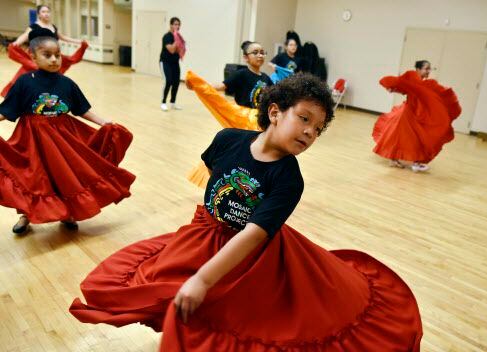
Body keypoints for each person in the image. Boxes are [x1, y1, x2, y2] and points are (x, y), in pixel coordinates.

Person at [70, 73, 422, 351]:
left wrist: (205, 277)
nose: (310, 132)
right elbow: (211, 175)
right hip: (205, 234)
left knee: (239, 316)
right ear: (274, 112)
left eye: (317, 129)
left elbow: (254, 233)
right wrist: (209, 232)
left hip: (254, 256)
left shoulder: (289, 179)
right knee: (161, 287)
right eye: (303, 119)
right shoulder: (227, 140)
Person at [0, 36, 135, 234]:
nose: (54, 60)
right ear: (34, 57)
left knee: (65, 176)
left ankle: (68, 213)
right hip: (34, 141)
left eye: (57, 55)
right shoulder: (24, 83)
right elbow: (7, 110)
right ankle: (27, 215)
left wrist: (105, 122)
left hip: (63, 140)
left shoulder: (67, 83)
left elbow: (82, 109)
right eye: (47, 55)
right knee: (35, 179)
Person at [372, 60, 462, 172]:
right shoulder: (411, 75)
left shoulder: (423, 82)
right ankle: (410, 162)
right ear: (418, 69)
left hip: (417, 112)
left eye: (429, 69)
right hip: (409, 112)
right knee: (407, 137)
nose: (428, 71)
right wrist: (393, 87)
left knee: (410, 137)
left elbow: (407, 88)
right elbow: (402, 84)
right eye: (426, 68)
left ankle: (408, 161)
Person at [2, 4, 88, 97]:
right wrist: (16, 43)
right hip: (37, 57)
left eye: (48, 12)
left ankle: (45, 97)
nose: (46, 14)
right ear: (39, 14)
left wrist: (79, 41)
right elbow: (24, 36)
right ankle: (19, 96)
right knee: (27, 76)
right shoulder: (34, 26)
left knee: (50, 77)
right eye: (43, 12)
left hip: (51, 55)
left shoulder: (53, 27)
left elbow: (63, 37)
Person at [213, 41, 273, 109]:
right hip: (243, 116)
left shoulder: (266, 78)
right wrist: (200, 84)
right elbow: (220, 86)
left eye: (262, 53)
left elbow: (275, 94)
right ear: (246, 58)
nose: (260, 55)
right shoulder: (241, 74)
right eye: (255, 53)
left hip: (259, 117)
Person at [159, 17, 183, 111]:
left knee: (176, 82)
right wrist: (177, 42)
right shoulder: (167, 36)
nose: (177, 26)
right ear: (171, 25)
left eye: (178, 24)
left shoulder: (179, 37)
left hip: (175, 63)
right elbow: (172, 50)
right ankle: (163, 102)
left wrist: (181, 47)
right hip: (165, 62)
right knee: (168, 81)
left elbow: (180, 49)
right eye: (175, 24)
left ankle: (173, 103)